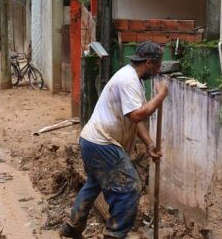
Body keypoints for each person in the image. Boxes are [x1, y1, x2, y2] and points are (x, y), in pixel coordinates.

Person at [61, 41, 168, 238]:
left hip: (92, 140)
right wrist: (160, 96)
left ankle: (72, 228)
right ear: (149, 62)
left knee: (95, 182)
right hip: (102, 142)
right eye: (158, 65)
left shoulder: (133, 79)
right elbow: (137, 115)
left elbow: (134, 120)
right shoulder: (129, 80)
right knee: (130, 187)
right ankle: (115, 234)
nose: (159, 69)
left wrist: (149, 144)